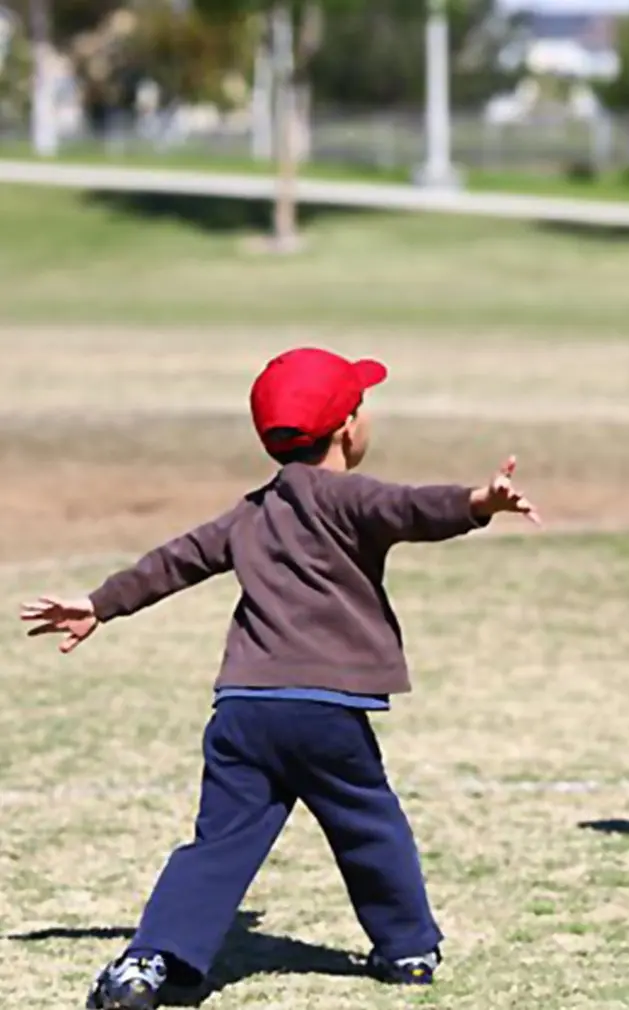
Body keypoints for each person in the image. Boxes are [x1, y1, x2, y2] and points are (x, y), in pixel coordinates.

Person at [20, 347, 540, 1010]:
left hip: (243, 710)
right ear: (350, 427)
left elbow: (173, 561)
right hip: (324, 712)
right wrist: (478, 502)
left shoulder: (250, 512)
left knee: (219, 844)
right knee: (369, 824)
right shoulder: (351, 497)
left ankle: (148, 963)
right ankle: (408, 949)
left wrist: (100, 602)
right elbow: (413, 508)